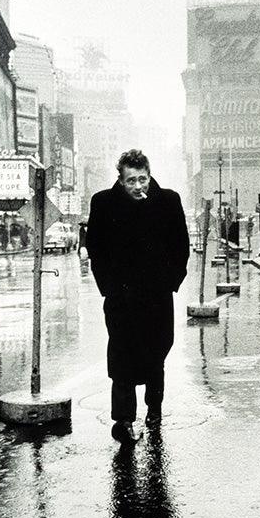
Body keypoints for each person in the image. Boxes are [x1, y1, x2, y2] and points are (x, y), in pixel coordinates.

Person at [86, 149, 189, 445]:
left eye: (142, 179)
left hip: (157, 297)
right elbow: (95, 247)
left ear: (149, 175)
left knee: (157, 352)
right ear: (120, 180)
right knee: (122, 355)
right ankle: (123, 420)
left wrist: (171, 282)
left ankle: (154, 408)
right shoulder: (103, 203)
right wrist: (108, 287)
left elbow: (181, 245)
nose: (137, 186)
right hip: (121, 297)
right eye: (131, 180)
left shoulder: (168, 201)